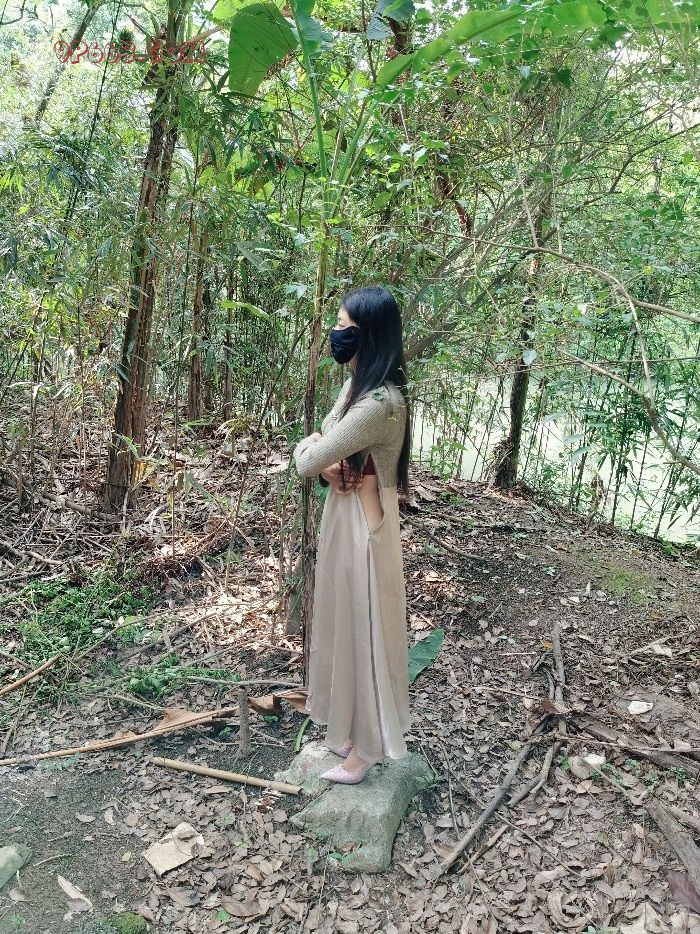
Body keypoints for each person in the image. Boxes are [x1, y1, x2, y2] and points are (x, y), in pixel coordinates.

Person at [292, 285, 412, 784]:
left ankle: (365, 750)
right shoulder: (357, 387)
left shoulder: (381, 402)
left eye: (344, 326)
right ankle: (348, 730)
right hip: (344, 514)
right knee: (343, 622)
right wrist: (326, 461)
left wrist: (311, 450)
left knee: (366, 631)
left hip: (365, 525)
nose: (335, 333)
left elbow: (310, 458)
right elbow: (329, 451)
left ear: (369, 335)